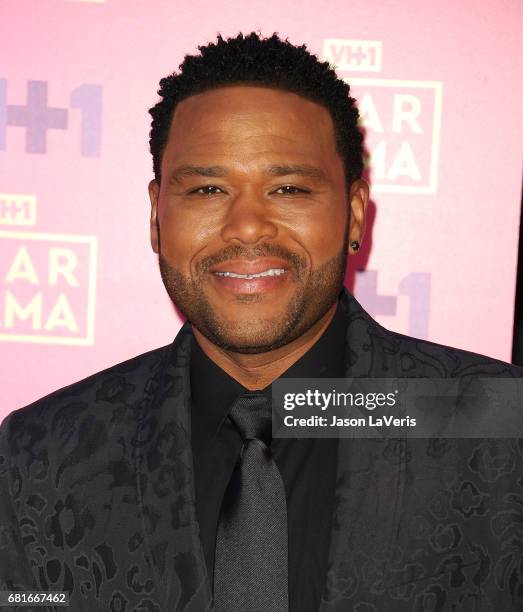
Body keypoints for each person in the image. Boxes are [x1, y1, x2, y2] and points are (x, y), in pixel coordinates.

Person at [1, 31, 522, 612]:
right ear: (156, 216)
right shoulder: (40, 455)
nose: (247, 226)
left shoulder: (502, 432)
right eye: (207, 188)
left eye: (289, 188)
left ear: (353, 212)